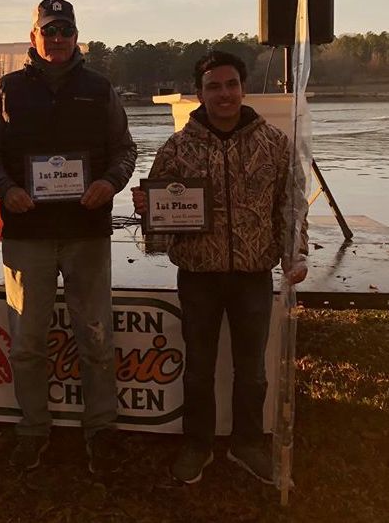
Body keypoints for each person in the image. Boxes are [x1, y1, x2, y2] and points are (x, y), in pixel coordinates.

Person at [0, 0, 137, 474]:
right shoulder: (7, 89)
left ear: (76, 36)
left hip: (87, 232)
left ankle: (101, 427)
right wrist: (6, 190)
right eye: (49, 30)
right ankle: (32, 428)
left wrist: (109, 182)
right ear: (34, 37)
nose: (58, 38)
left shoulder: (100, 88)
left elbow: (125, 150)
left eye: (66, 30)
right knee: (26, 341)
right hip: (28, 235)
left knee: (96, 335)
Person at [132, 50, 308, 486]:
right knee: (198, 368)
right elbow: (158, 228)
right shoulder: (177, 147)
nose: (224, 93)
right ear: (200, 93)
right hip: (198, 277)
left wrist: (295, 252)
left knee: (252, 370)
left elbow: (291, 204)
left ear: (243, 89)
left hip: (253, 275)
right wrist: (147, 209)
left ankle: (247, 444)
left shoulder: (274, 143)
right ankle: (197, 444)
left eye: (231, 84)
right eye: (214, 86)